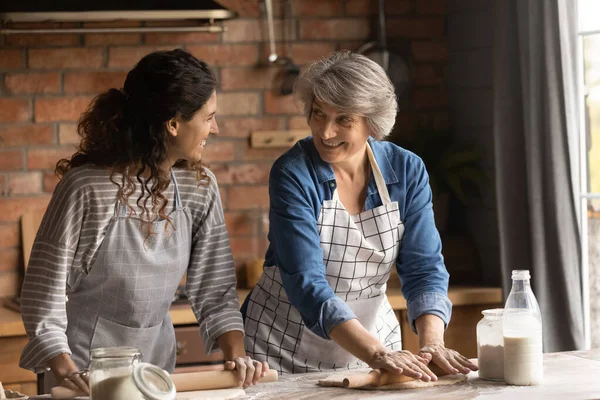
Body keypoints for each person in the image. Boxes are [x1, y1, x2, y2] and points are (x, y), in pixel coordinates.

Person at [19, 49, 268, 394]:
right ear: (173, 123)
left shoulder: (199, 187)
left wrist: (237, 355)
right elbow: (42, 295)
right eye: (208, 117)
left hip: (155, 371)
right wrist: (65, 371)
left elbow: (216, 290)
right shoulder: (87, 188)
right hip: (82, 374)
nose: (216, 127)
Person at [242, 51, 478, 380]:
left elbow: (423, 269)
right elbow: (307, 283)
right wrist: (376, 353)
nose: (325, 132)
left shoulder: (406, 170)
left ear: (372, 121)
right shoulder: (293, 173)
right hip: (282, 347)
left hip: (376, 346)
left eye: (343, 120)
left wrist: (431, 343)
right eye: (318, 114)